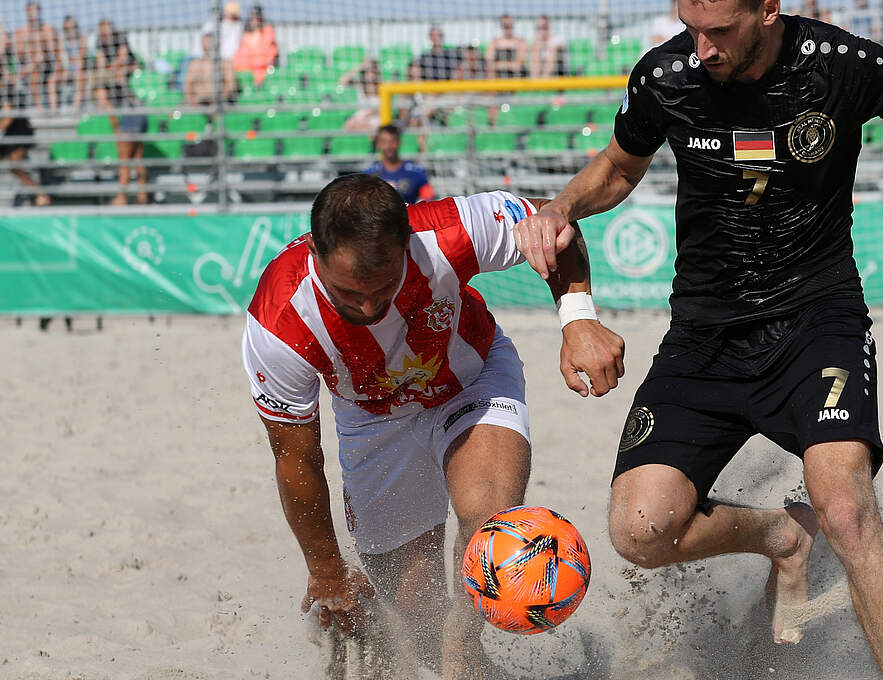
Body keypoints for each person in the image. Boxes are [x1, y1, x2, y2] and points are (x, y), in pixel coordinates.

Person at [511, 0, 883, 679]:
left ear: (767, 10)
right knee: (640, 530)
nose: (701, 46)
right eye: (688, 25)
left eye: (718, 29)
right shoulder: (665, 76)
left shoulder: (845, 66)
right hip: (703, 335)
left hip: (816, 321)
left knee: (845, 506)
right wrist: (562, 207)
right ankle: (779, 534)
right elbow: (618, 166)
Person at [241, 175, 624, 678]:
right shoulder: (278, 322)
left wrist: (577, 319)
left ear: (407, 245)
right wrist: (326, 569)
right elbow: (297, 459)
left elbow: (552, 224)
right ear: (316, 250)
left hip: (471, 381)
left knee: (489, 523)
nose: (368, 306)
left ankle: (462, 648)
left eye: (383, 287)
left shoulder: (446, 232)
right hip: (372, 420)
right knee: (417, 620)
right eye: (348, 292)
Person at [93, 19, 148, 205]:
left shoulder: (123, 56)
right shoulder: (105, 76)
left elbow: (119, 66)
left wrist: (116, 125)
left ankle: (122, 196)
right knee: (136, 156)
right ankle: (142, 195)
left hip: (132, 111)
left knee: (126, 157)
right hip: (132, 110)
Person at [0, 55, 47, 209]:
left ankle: (42, 195)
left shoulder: (8, 90)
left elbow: (7, 118)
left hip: (20, 132)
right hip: (8, 134)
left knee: (15, 167)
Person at [363, 124, 434, 203]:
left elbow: (429, 199)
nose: (388, 146)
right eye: (384, 142)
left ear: (399, 142)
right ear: (378, 144)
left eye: (392, 141)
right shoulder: (369, 174)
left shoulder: (416, 172)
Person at [13, 0, 59, 108]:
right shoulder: (21, 32)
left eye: (35, 11)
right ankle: (40, 109)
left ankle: (53, 110)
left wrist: (42, 41)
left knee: (40, 57)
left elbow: (52, 52)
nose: (33, 14)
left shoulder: (47, 29)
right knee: (35, 73)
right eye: (30, 11)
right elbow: (19, 55)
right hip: (30, 69)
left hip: (48, 66)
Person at [182, 31, 237, 107]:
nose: (206, 45)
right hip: (199, 102)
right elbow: (187, 85)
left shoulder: (225, 63)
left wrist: (219, 98)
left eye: (209, 42)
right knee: (177, 113)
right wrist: (192, 99)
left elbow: (231, 85)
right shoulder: (195, 64)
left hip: (219, 102)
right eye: (204, 42)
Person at [46, 14, 87, 111]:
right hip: (65, 69)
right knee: (51, 80)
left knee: (80, 77)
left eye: (71, 28)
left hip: (77, 69)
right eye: (67, 28)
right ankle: (54, 110)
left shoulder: (81, 39)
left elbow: (81, 58)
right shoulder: (62, 40)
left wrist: (72, 66)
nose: (69, 31)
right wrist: (64, 69)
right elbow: (61, 58)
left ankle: (75, 109)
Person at [232, 4, 278, 84]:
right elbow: (240, 56)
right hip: (245, 73)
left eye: (257, 18)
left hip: (263, 73)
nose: (255, 20)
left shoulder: (267, 31)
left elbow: (269, 55)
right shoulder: (246, 35)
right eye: (253, 18)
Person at [486, 14, 527, 79]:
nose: (507, 28)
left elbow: (519, 65)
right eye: (505, 25)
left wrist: (499, 65)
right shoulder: (494, 42)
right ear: (501, 26)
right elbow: (490, 64)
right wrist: (510, 65)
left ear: (513, 25)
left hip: (516, 78)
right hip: (498, 78)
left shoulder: (520, 41)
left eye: (509, 25)